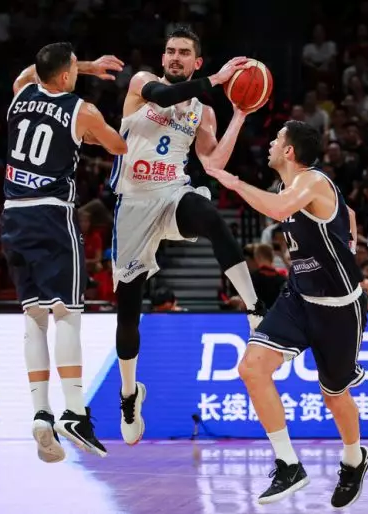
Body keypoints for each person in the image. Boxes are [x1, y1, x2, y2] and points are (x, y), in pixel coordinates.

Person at [205, 120, 368, 509]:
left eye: (277, 139)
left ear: (290, 151)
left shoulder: (312, 181)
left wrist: (233, 182)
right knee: (251, 368)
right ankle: (288, 464)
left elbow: (279, 209)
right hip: (298, 297)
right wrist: (347, 241)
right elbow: (347, 215)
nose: (270, 144)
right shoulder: (289, 186)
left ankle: (354, 459)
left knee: (334, 396)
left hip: (338, 308)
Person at [111, 25, 264, 446]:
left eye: (183, 52)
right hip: (133, 204)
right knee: (128, 311)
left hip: (172, 195)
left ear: (196, 61)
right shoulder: (144, 84)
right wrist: (217, 78)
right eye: (170, 51)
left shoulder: (202, 112)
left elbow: (213, 164)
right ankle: (129, 393)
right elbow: (163, 97)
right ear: (163, 58)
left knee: (209, 214)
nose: (175, 57)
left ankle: (255, 308)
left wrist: (239, 115)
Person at [2, 42, 126, 462]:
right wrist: (90, 132)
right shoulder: (82, 109)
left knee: (34, 317)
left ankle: (41, 413)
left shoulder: (21, 93)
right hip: (52, 215)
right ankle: (74, 412)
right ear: (65, 75)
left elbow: (30, 72)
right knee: (67, 314)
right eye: (74, 66)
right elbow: (117, 146)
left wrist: (84, 66)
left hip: (12, 216)